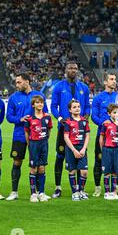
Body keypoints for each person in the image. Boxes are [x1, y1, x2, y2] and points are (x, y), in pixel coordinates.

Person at [5, 73, 49, 201]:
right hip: (19, 135)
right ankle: (14, 192)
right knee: (17, 161)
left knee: (38, 164)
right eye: (16, 82)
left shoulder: (39, 96)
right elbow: (9, 116)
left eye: (19, 82)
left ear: (27, 82)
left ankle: (38, 192)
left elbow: (45, 114)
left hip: (36, 137)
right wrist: (20, 119)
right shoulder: (13, 98)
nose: (16, 85)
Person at [50, 62, 90, 198]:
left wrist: (86, 115)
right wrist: (60, 118)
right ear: (65, 70)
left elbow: (87, 106)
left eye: (75, 68)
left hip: (80, 129)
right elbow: (53, 106)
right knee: (60, 156)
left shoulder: (84, 88)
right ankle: (58, 187)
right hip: (64, 129)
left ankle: (79, 189)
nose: (73, 70)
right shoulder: (58, 87)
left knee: (80, 155)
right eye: (70, 68)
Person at [91, 72, 118, 197]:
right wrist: (103, 122)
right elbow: (93, 116)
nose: (114, 81)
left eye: (115, 79)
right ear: (105, 82)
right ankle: (97, 188)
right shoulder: (98, 98)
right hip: (103, 135)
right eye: (111, 79)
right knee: (99, 161)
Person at [24, 95, 53, 203]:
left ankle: (41, 192)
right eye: (37, 102)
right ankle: (33, 194)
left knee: (42, 168)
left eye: (41, 102)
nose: (40, 104)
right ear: (33, 105)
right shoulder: (30, 118)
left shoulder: (47, 117)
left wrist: (44, 139)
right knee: (33, 168)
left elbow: (49, 130)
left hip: (44, 143)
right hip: (34, 144)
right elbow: (26, 132)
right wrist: (30, 144)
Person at [63, 99, 91, 201]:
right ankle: (74, 192)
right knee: (72, 171)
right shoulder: (68, 122)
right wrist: (74, 150)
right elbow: (66, 137)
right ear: (70, 110)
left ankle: (81, 191)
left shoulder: (84, 121)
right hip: (71, 149)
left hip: (82, 148)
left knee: (84, 171)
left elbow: (87, 135)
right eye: (74, 107)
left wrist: (83, 149)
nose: (77, 109)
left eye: (78, 107)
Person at [100, 104, 118, 200]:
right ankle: (107, 193)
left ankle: (113, 192)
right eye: (114, 113)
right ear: (109, 113)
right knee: (107, 172)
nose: (116, 114)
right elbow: (101, 137)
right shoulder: (105, 124)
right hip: (107, 149)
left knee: (115, 172)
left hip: (117, 150)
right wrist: (103, 149)